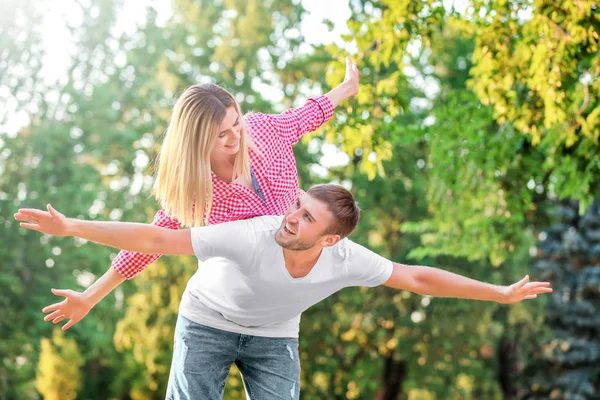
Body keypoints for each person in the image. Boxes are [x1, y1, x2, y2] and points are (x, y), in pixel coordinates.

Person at [15, 184, 552, 400]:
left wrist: (499, 293)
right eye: (297, 206)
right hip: (207, 321)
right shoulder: (250, 235)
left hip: (273, 337)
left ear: (331, 238)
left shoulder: (348, 260)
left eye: (306, 218)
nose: (290, 219)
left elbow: (418, 278)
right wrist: (73, 227)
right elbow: (157, 236)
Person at [56, 58, 360, 328]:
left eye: (236, 124)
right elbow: (149, 242)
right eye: (221, 135)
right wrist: (90, 296)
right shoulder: (196, 192)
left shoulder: (263, 130)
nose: (235, 138)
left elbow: (307, 115)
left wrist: (347, 87)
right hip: (246, 291)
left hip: (298, 262)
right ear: (196, 141)